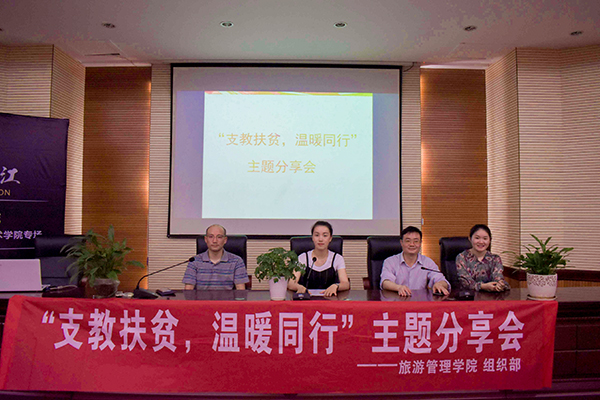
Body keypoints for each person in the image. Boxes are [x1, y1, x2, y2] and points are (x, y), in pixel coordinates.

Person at [380, 226, 450, 296]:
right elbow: (385, 282)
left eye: (416, 241)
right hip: (397, 299)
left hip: (420, 300)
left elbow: (442, 280)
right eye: (408, 241)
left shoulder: (428, 262)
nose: (412, 244)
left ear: (420, 243)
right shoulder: (390, 261)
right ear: (401, 242)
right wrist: (398, 288)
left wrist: (439, 284)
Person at [287, 221, 350, 297]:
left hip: (330, 299)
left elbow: (346, 284)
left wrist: (336, 286)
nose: (320, 239)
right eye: (317, 235)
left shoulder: (337, 258)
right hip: (306, 299)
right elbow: (291, 283)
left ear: (330, 238)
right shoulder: (303, 257)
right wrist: (299, 287)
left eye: (325, 235)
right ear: (312, 238)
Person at [182, 224, 249, 290]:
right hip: (201, 297)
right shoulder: (194, 261)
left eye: (219, 237)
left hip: (227, 297)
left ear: (225, 240)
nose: (215, 241)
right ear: (206, 239)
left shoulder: (237, 261)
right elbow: (188, 291)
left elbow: (240, 291)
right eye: (211, 237)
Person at [456, 224, 509, 292]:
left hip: (492, 296)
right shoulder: (462, 257)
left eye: (485, 238)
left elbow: (498, 278)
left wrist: (499, 285)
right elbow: (465, 282)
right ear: (470, 239)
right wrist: (482, 286)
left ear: (490, 240)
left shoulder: (495, 258)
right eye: (477, 238)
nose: (481, 242)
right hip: (469, 296)